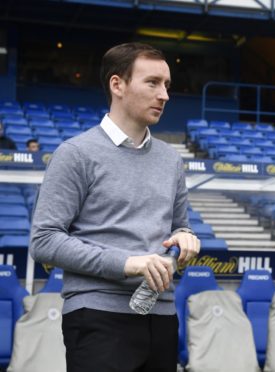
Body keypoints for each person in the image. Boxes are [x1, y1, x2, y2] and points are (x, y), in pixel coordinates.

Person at [30, 42, 200, 372]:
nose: (164, 95)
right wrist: (128, 263)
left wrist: (185, 237)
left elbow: (180, 226)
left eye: (167, 85)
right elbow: (44, 241)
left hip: (163, 316)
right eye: (152, 82)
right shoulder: (75, 154)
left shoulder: (171, 160)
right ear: (117, 84)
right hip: (98, 317)